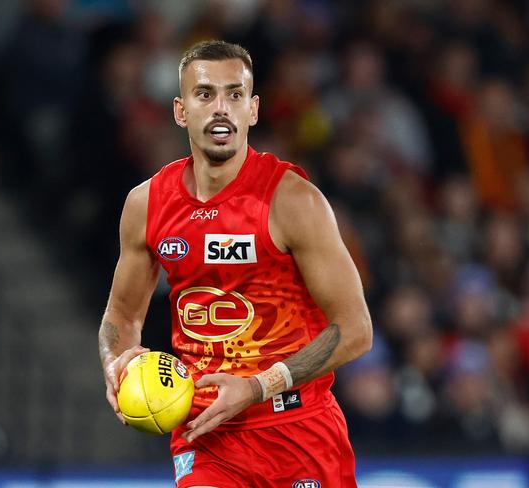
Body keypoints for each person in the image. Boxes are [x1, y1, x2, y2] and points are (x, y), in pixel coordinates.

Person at [98, 40, 373, 488]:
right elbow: (122, 316)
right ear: (180, 110)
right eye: (205, 94)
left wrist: (256, 387)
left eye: (235, 94)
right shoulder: (146, 204)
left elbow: (356, 330)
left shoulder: (293, 201)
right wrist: (115, 362)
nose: (221, 108)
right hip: (206, 435)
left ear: (254, 109)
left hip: (297, 430)